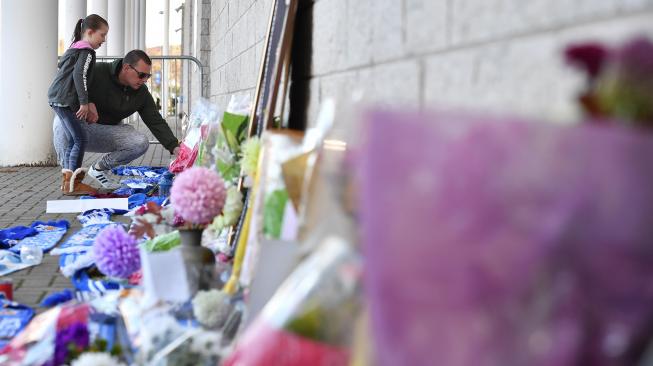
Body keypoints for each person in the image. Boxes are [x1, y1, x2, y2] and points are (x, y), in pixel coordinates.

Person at [53, 50, 180, 191]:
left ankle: (99, 169)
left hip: (107, 133)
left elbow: (155, 121)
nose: (144, 80)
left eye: (148, 76)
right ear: (126, 68)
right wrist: (86, 101)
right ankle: (69, 179)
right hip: (80, 128)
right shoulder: (97, 70)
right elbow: (66, 86)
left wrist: (174, 147)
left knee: (140, 142)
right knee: (60, 122)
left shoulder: (141, 93)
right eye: (142, 75)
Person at [48, 14, 108, 195]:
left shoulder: (74, 48)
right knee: (80, 139)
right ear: (90, 32)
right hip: (65, 100)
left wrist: (86, 101)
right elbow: (79, 76)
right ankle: (74, 184)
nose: (104, 40)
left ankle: (67, 183)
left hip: (57, 98)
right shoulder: (87, 52)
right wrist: (83, 102)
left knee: (73, 140)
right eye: (102, 35)